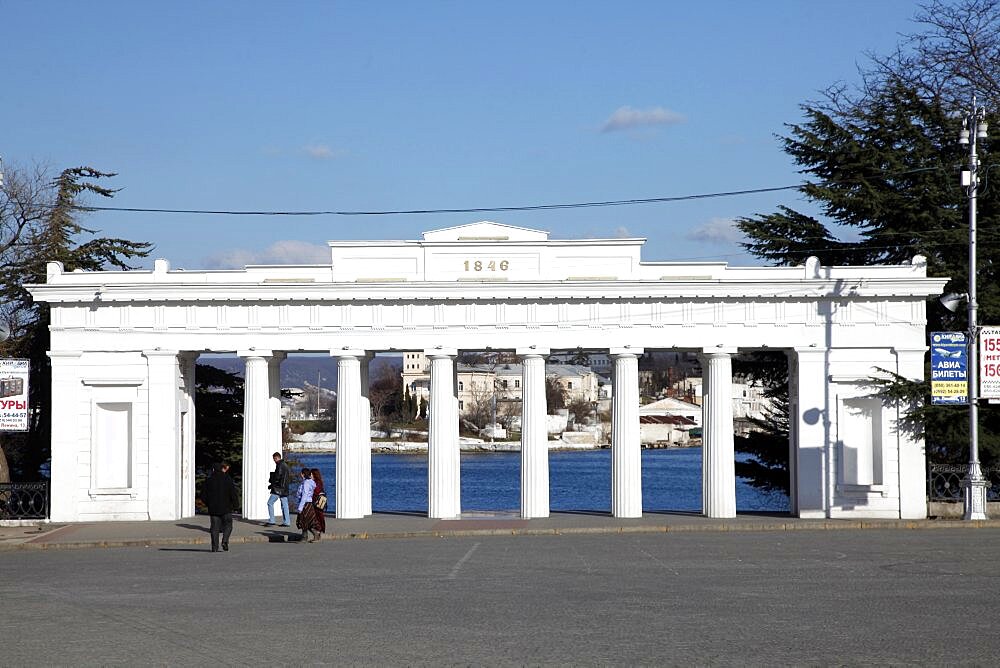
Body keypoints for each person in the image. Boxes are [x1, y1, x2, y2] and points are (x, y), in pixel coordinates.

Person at [202, 461, 240, 552]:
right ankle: (225, 541)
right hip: (226, 508)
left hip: (213, 508)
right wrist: (235, 505)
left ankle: (214, 547)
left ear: (214, 469)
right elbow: (233, 493)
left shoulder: (209, 480)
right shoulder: (227, 479)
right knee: (228, 525)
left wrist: (208, 503)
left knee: (214, 528)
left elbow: (203, 495)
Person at [266, 452, 292, 527]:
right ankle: (287, 522)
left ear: (276, 458)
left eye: (274, 459)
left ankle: (272, 520)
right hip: (284, 488)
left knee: (270, 503)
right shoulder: (285, 465)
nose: (274, 461)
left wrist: (272, 484)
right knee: (285, 505)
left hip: (278, 489)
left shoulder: (279, 465)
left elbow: (277, 477)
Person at [295, 468, 317, 542]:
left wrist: (300, 507)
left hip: (305, 504)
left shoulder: (306, 483)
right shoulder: (310, 482)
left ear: (303, 474)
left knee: (304, 520)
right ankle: (307, 536)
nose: (300, 475)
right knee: (307, 520)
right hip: (309, 503)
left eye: (301, 473)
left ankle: (306, 537)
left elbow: (304, 495)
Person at [309, 468, 327, 541]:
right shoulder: (316, 481)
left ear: (314, 475)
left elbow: (316, 491)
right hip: (316, 502)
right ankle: (318, 532)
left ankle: (318, 531)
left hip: (317, 502)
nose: (310, 476)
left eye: (311, 474)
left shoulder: (317, 482)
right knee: (317, 517)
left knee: (318, 517)